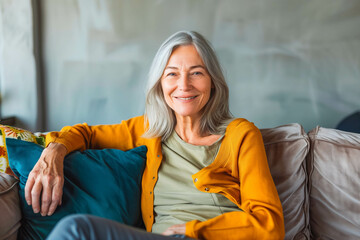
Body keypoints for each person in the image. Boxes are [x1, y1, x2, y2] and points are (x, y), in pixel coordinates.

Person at [25, 31, 285, 239]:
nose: (184, 85)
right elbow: (85, 134)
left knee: (77, 230)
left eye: (196, 72)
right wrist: (53, 152)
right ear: (160, 84)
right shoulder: (148, 131)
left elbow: (270, 224)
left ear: (212, 81)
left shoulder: (240, 135)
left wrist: (191, 230)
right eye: (172, 74)